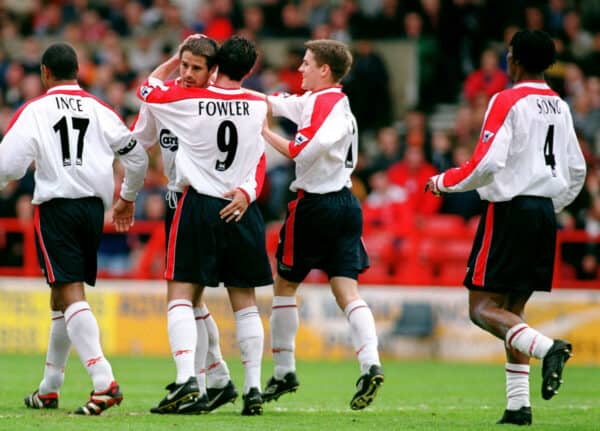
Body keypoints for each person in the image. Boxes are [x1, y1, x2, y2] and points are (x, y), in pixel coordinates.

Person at [425, 30, 587, 426]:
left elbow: (486, 163)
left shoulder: (507, 99)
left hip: (510, 210)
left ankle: (548, 347)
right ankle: (518, 406)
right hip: (544, 212)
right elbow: (577, 170)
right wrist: (550, 207)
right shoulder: (560, 106)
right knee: (512, 310)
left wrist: (444, 182)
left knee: (481, 308)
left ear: (513, 59)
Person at [0, 42, 148, 415]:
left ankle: (104, 382)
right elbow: (137, 156)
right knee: (60, 298)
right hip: (92, 211)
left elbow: (8, 166)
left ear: (45, 73)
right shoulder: (101, 109)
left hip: (57, 207)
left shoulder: (35, 110)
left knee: (69, 292)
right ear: (78, 71)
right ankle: (50, 387)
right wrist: (127, 196)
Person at [137, 35, 272, 416]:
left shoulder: (189, 101)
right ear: (250, 69)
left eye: (197, 66)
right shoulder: (259, 105)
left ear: (213, 69)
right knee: (245, 304)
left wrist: (169, 61)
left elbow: (146, 89)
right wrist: (248, 190)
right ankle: (252, 388)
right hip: (241, 209)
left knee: (180, 295)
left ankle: (185, 381)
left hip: (198, 205)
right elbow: (259, 159)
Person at [261, 39, 384, 410]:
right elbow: (281, 102)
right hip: (347, 203)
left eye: (306, 63)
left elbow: (300, 150)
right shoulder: (335, 102)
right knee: (346, 290)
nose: (300, 69)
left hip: (316, 205)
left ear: (324, 70)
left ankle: (284, 371)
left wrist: (263, 133)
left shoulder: (322, 103)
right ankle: (370, 364)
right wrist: (248, 98)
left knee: (284, 286)